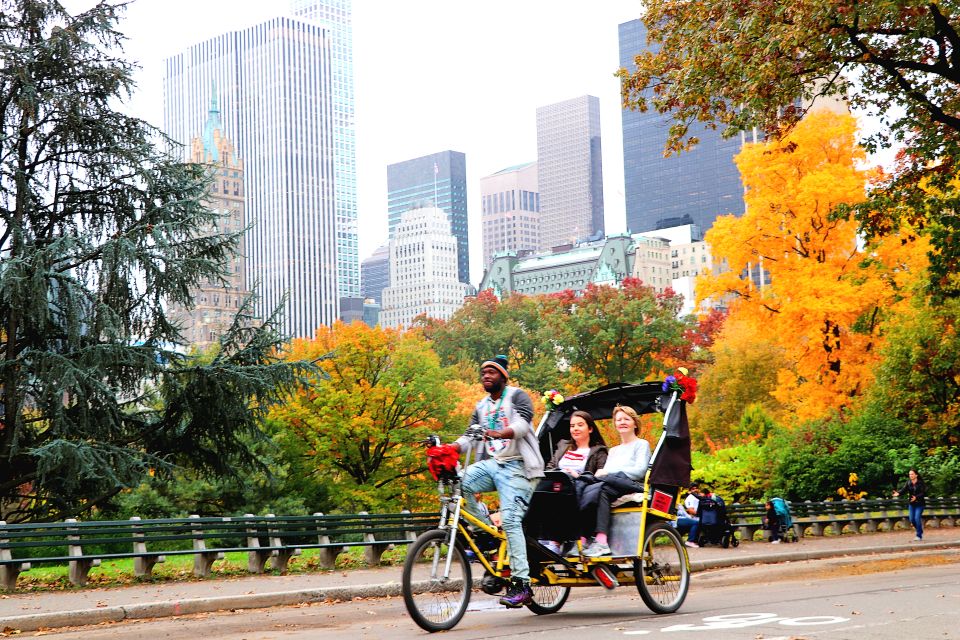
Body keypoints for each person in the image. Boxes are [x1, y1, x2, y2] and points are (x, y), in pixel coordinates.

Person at [448, 355, 544, 608]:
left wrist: (498, 432)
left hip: (519, 466)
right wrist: (451, 448)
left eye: (492, 372)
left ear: (503, 376)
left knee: (511, 520)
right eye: (483, 373)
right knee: (460, 482)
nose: (486, 376)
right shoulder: (481, 406)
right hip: (494, 464)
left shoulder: (517, 396)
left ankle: (522, 585)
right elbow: (470, 436)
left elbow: (523, 425)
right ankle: (485, 534)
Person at [580, 405, 651, 557]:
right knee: (588, 490)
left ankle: (601, 541)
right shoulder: (613, 451)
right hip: (612, 486)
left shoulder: (641, 444)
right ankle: (583, 538)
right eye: (619, 420)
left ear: (635, 423)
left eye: (626, 419)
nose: (622, 422)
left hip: (632, 485)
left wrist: (608, 472)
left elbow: (640, 471)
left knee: (602, 490)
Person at [546, 410, 608, 477]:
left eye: (580, 425)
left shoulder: (599, 452)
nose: (575, 428)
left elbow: (601, 479)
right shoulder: (563, 446)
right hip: (559, 485)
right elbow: (549, 469)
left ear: (590, 429)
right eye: (572, 426)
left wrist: (578, 477)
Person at [893, 468, 926, 541]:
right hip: (912, 504)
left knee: (917, 518)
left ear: (916, 475)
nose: (910, 475)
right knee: (912, 519)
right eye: (909, 474)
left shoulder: (921, 483)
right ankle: (919, 529)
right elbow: (903, 490)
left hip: (920, 504)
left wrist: (916, 497)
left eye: (912, 474)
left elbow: (923, 493)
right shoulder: (908, 482)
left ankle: (919, 535)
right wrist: (898, 493)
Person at [679, 483, 702, 548]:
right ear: (689, 491)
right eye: (693, 489)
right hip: (693, 517)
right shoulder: (690, 498)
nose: (695, 490)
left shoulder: (698, 497)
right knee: (697, 522)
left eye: (696, 488)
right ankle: (690, 541)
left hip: (694, 517)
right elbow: (691, 510)